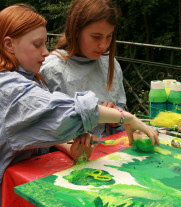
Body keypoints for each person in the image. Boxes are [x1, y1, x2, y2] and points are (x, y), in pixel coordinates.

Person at [0, 4, 159, 207]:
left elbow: (30, 130)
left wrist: (69, 149)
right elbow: (64, 112)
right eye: (37, 45)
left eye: (45, 43)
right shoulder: (6, 89)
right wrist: (126, 117)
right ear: (9, 44)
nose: (46, 52)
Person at [40, 0, 126, 138]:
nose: (103, 45)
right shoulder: (50, 69)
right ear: (76, 31)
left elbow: (121, 109)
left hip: (107, 151)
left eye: (109, 36)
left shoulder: (110, 63)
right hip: (66, 155)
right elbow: (42, 127)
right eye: (96, 37)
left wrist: (114, 119)